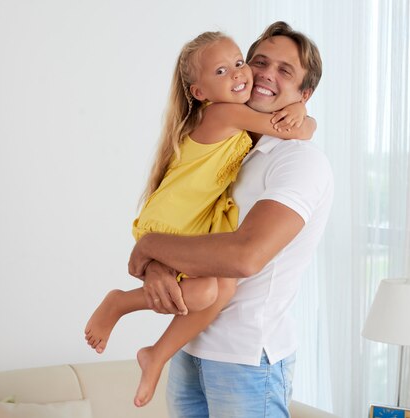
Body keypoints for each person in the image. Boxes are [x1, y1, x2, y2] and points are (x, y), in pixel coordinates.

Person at [84, 30, 316, 407]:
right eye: (227, 70)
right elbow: (295, 129)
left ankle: (156, 354)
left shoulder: (271, 149)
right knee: (211, 292)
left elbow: (245, 256)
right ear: (199, 92)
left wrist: (301, 110)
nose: (242, 74)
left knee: (220, 290)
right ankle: (122, 304)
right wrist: (306, 117)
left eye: (239, 63)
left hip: (192, 230)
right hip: (180, 220)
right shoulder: (225, 113)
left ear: (305, 90)